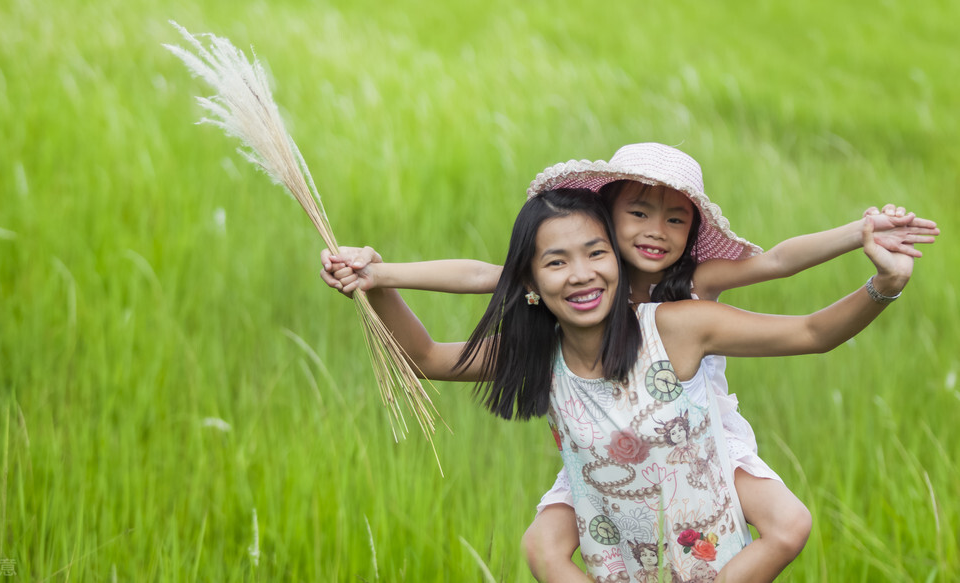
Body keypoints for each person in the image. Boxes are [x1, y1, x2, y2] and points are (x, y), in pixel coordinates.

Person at [321, 143, 939, 581]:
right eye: (638, 214)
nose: (655, 231)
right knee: (542, 547)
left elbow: (790, 289)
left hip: (692, 441)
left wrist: (867, 249)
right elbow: (446, 330)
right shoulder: (551, 323)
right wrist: (378, 275)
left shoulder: (686, 306)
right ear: (606, 221)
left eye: (674, 219)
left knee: (787, 523)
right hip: (601, 458)